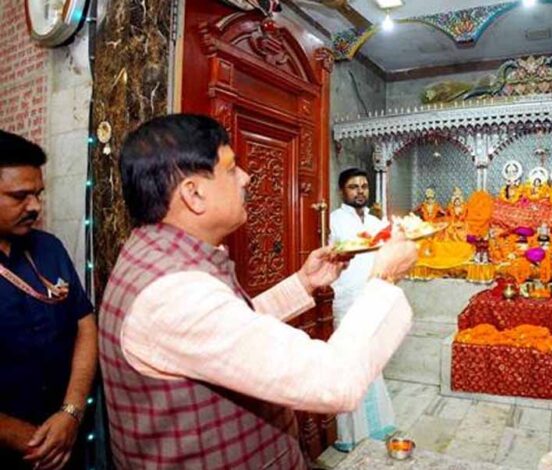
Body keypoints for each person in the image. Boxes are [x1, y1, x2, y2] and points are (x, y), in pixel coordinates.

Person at [98, 114, 418, 469]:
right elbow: (334, 379)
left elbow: (232, 327)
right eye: (231, 168)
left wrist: (303, 282)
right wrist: (385, 277)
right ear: (194, 193)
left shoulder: (157, 257)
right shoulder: (172, 296)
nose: (246, 178)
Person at [0, 131, 97, 470]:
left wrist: (71, 413)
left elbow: (85, 326)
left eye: (38, 194)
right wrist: (27, 440)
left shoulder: (49, 247)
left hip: (67, 439)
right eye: (20, 196)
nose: (35, 207)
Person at [329, 168, 396, 451]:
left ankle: (377, 426)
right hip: (345, 298)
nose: (360, 191)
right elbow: (329, 256)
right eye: (353, 187)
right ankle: (349, 435)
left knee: (370, 363)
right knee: (349, 365)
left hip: (371, 298)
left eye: (364, 186)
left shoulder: (375, 221)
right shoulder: (333, 219)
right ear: (342, 191)